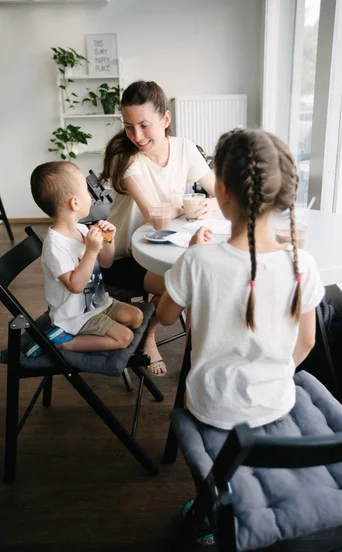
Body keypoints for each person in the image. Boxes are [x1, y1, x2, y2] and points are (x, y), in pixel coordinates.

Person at [157, 128, 325, 430]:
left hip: (210, 407)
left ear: (221, 191)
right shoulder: (303, 264)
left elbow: (165, 316)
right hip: (276, 404)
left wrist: (188, 256)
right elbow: (307, 341)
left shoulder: (198, 260)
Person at [100, 80, 218, 375]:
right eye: (129, 126)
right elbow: (154, 215)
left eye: (144, 125)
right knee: (190, 282)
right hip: (125, 255)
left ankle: (197, 358)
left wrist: (210, 204)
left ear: (165, 119)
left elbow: (221, 192)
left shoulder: (184, 149)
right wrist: (187, 204)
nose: (136, 136)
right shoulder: (125, 157)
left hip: (166, 247)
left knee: (195, 276)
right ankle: (150, 337)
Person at [27, 161, 143, 358]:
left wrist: (109, 242)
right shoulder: (55, 245)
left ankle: (96, 331)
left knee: (136, 317)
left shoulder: (82, 229)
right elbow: (75, 286)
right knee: (125, 338)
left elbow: (106, 263)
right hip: (74, 316)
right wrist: (90, 252)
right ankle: (61, 343)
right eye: (86, 191)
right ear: (75, 202)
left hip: (98, 303)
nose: (91, 196)